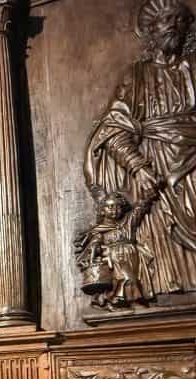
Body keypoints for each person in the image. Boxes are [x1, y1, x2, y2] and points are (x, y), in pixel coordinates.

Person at [85, 0, 196, 296]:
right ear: (151, 31)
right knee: (162, 236)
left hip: (192, 162)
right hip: (155, 165)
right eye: (166, 20)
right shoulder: (136, 77)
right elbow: (113, 129)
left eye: (179, 20)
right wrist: (138, 167)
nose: (173, 26)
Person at [75, 191, 157, 308]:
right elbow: (94, 245)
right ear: (102, 210)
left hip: (132, 255)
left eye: (118, 207)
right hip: (114, 256)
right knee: (126, 278)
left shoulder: (128, 222)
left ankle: (110, 300)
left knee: (131, 278)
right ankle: (132, 301)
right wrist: (97, 248)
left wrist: (150, 194)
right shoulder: (99, 229)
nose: (115, 210)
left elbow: (140, 208)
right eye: (110, 207)